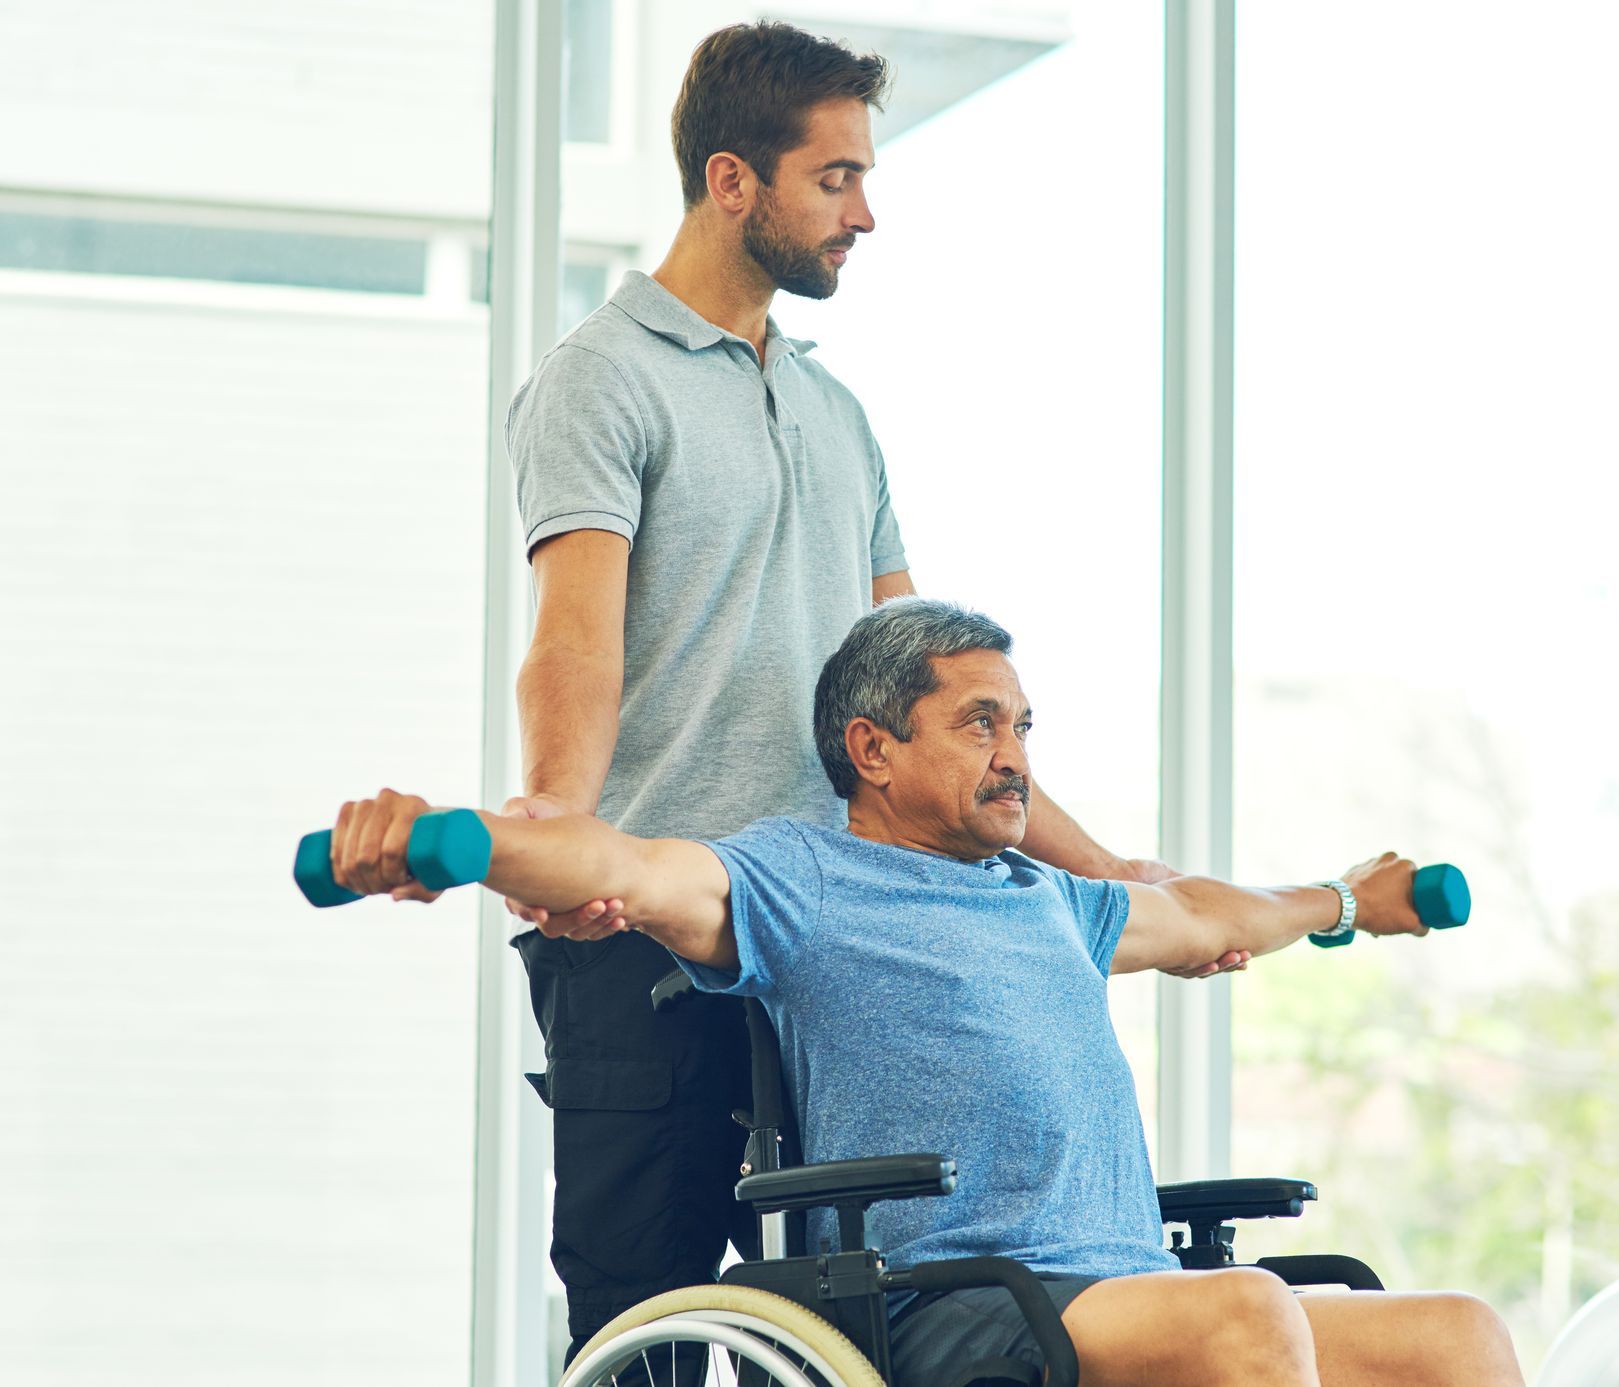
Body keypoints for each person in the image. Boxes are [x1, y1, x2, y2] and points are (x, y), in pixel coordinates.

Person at [500, 19, 1243, 1366]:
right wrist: (556, 824)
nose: (867, 213)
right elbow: (575, 642)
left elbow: (930, 677)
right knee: (641, 1325)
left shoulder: (836, 414)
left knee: (872, 1305)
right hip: (653, 941)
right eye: (835, 178)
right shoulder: (600, 380)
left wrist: (1101, 862)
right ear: (734, 181)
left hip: (839, 927)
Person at [328, 599, 1527, 1387]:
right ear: (873, 749)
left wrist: (1349, 900)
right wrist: (460, 840)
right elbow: (625, 867)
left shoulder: (1050, 897)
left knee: (1455, 1336)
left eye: (1020, 726)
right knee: (1249, 1316)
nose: (1014, 756)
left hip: (1123, 1294)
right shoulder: (800, 877)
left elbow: (1211, 915)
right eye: (979, 724)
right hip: (953, 1296)